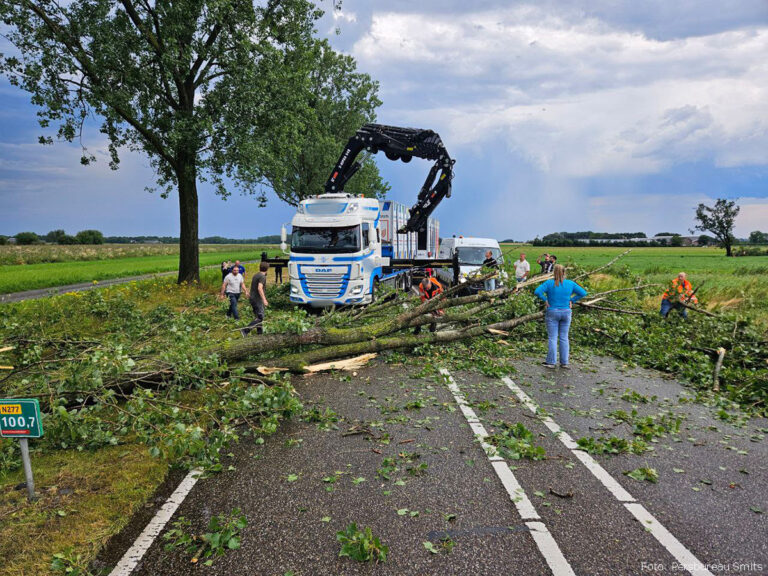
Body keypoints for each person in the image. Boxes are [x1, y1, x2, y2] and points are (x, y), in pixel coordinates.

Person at [534, 264, 587, 369]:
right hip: (566, 312)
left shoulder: (549, 283)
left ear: (554, 272)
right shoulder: (570, 283)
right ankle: (564, 362)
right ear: (564, 272)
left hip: (552, 311)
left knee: (553, 338)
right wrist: (572, 300)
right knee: (564, 337)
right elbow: (583, 293)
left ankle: (551, 362)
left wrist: (545, 300)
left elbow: (537, 291)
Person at [242, 262, 269, 336]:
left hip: (252, 298)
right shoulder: (262, 277)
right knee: (260, 317)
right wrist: (264, 300)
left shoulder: (256, 275)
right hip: (257, 300)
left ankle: (260, 333)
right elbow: (260, 288)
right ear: (267, 269)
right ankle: (245, 330)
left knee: (258, 316)